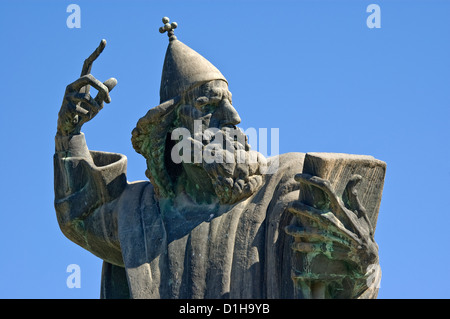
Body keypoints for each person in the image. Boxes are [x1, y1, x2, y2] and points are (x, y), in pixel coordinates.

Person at [54, 18, 382, 299]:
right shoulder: (138, 212)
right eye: (210, 106)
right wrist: (69, 134)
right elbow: (80, 217)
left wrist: (361, 267)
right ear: (171, 127)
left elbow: (326, 283)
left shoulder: (286, 186)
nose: (233, 117)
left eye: (229, 103)